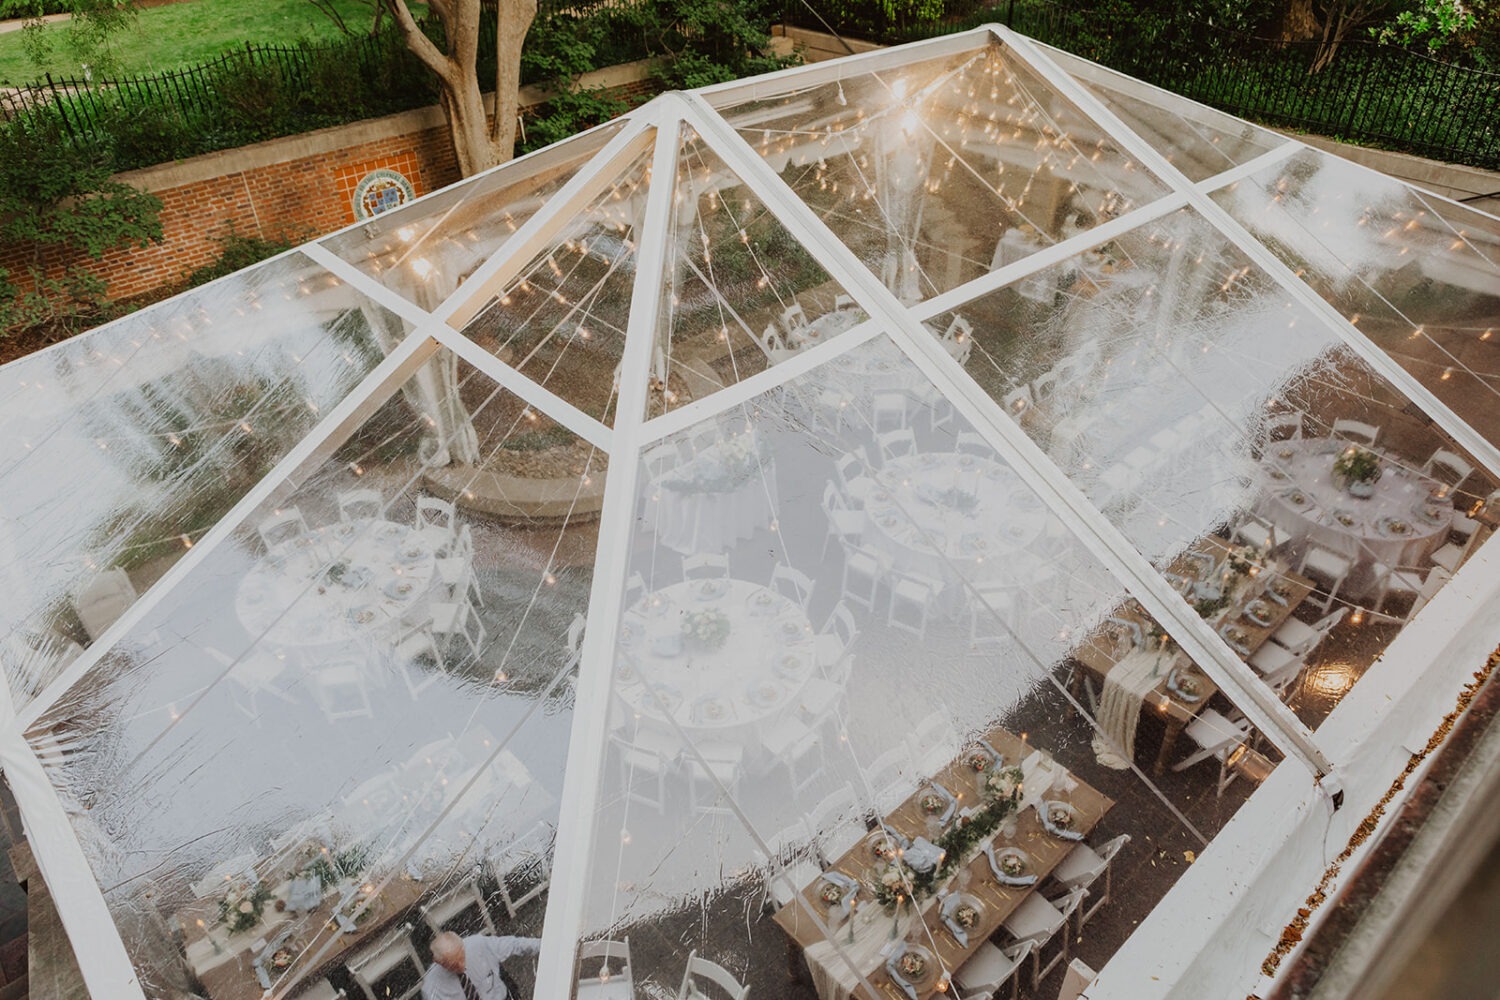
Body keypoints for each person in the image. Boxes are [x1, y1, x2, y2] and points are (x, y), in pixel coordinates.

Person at [421, 930, 540, 1000]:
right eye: (453, 965)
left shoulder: (477, 944)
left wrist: (546, 945)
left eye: (461, 958)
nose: (461, 966)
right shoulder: (432, 988)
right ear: (438, 962)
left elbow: (516, 944)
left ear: (463, 946)